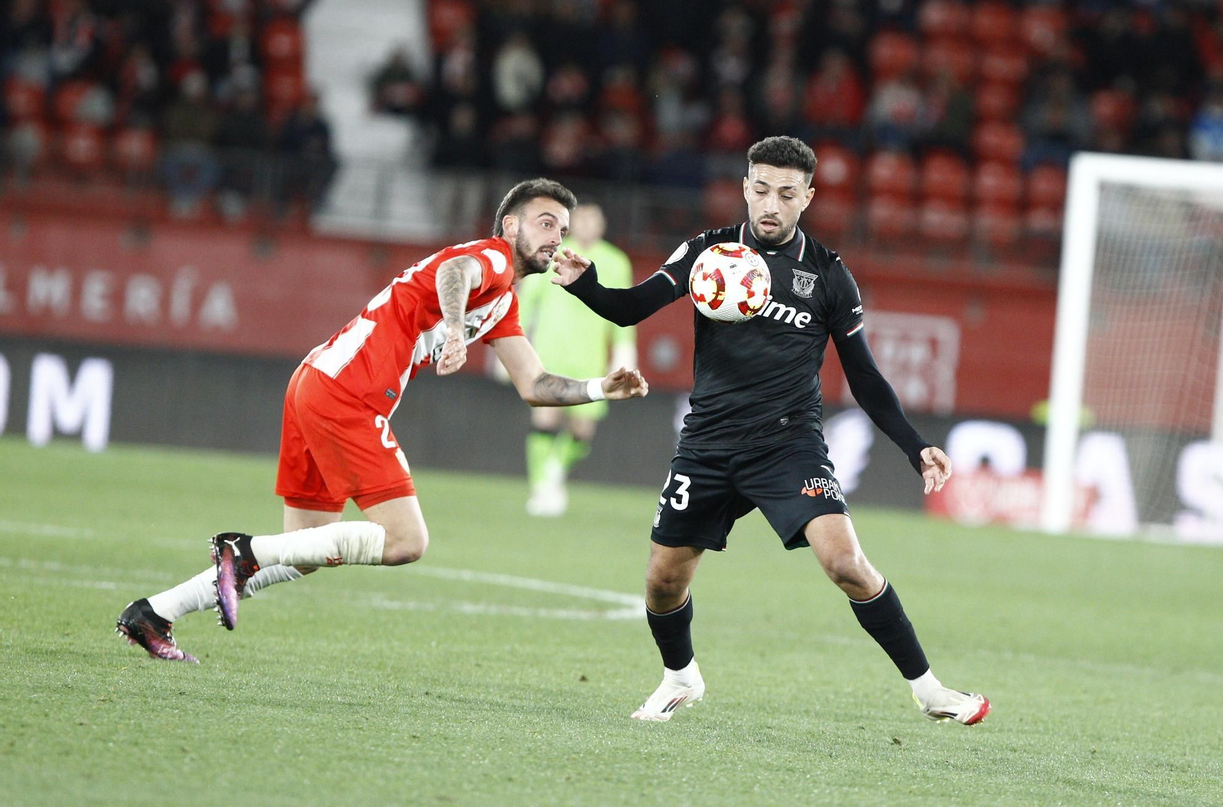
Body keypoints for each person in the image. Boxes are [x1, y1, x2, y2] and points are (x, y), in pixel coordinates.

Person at [552, 136, 990, 725]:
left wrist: (916, 446)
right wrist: (585, 285)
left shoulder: (830, 276)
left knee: (845, 562)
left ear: (807, 197)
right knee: (662, 582)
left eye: (786, 194)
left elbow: (864, 377)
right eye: (761, 189)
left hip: (789, 445)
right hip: (707, 443)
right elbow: (633, 306)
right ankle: (680, 677)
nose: (771, 205)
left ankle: (929, 688)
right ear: (745, 187)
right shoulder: (707, 254)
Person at [115, 179, 650, 661]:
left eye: (563, 227)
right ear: (511, 226)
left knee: (305, 550)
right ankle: (242, 550)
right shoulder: (492, 258)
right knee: (404, 542)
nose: (557, 235)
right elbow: (452, 272)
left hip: (317, 380)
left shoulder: (503, 301)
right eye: (546, 222)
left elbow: (535, 385)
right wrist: (459, 331)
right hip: (349, 393)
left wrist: (602, 387)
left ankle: (155, 612)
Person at [518, 202, 637, 515]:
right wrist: (514, 348)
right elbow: (527, 302)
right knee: (545, 420)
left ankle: (555, 469)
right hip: (550, 352)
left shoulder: (615, 261)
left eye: (592, 219)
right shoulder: (551, 254)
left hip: (590, 357)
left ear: (602, 224)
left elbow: (624, 311)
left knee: (582, 432)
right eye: (580, 219)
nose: (586, 225)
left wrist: (624, 352)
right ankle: (540, 486)